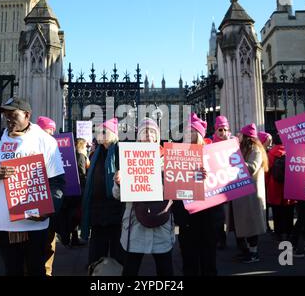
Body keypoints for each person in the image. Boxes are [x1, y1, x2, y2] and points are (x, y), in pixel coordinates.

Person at [0, 97, 66, 276]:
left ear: (27, 115)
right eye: (5, 115)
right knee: (12, 270)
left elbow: (57, 182)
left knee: (35, 270)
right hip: (4, 222)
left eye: (13, 114)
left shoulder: (45, 141)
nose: (8, 119)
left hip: (34, 224)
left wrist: (49, 209)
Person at [113, 118, 175, 276]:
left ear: (157, 137)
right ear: (139, 137)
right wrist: (119, 182)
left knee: (165, 269)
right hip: (135, 224)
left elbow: (182, 188)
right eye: (145, 132)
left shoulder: (168, 159)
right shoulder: (129, 158)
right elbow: (117, 195)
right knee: (130, 269)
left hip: (161, 222)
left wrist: (196, 176)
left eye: (152, 132)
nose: (148, 135)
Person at [172, 113, 218, 276]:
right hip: (187, 215)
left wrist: (209, 176)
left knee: (208, 255)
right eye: (187, 131)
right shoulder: (177, 153)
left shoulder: (212, 152)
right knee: (189, 257)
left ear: (200, 134)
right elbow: (173, 183)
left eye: (192, 131)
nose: (188, 134)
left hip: (208, 214)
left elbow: (222, 180)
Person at [80, 118, 124, 267]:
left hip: (116, 208)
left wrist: (122, 176)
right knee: (97, 251)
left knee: (117, 251)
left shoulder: (120, 150)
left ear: (113, 133)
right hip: (97, 209)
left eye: (104, 131)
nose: (100, 134)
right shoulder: (95, 153)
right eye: (99, 131)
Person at [228, 123, 267, 263]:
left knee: (251, 225)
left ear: (246, 136)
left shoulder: (255, 149)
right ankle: (247, 252)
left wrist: (236, 161)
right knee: (244, 225)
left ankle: (254, 253)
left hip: (251, 194)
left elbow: (252, 168)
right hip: (243, 193)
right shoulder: (244, 149)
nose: (239, 136)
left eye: (241, 134)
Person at [36, 116, 59, 276]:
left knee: (49, 242)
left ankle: (47, 272)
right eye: (47, 130)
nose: (50, 133)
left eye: (52, 131)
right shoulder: (31, 145)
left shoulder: (54, 146)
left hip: (50, 200)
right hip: (31, 200)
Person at [266, 135, 295, 242]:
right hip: (289, 186)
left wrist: (266, 184)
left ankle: (278, 233)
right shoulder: (291, 151)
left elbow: (267, 171)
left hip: (274, 187)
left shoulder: (270, 153)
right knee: (289, 211)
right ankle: (289, 232)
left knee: (277, 212)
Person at [211, 116, 232, 250]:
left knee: (233, 215)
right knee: (218, 215)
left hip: (230, 182)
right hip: (216, 183)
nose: (222, 131)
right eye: (220, 129)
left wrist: (228, 142)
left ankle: (242, 243)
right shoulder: (211, 143)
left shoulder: (233, 141)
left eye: (224, 129)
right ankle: (220, 239)